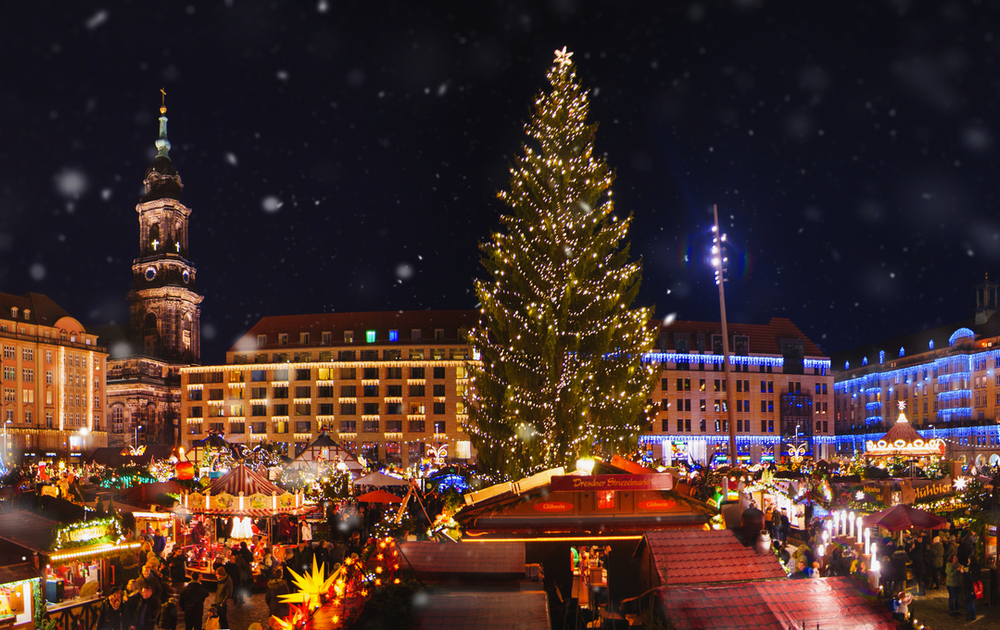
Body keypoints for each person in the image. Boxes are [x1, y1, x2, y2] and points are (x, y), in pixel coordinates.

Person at [964, 554, 981, 621]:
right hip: (974, 585)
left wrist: (963, 573)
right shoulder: (977, 566)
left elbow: (970, 578)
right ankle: (970, 614)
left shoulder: (972, 567)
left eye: (969, 560)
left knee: (970, 600)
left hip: (971, 586)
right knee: (969, 600)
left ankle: (972, 615)